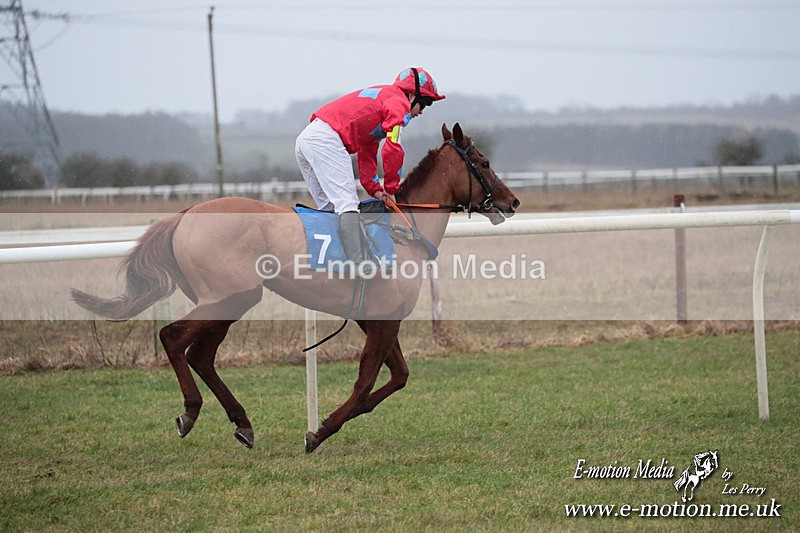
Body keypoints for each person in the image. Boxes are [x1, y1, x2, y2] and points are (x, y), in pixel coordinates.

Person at [295, 67, 445, 271]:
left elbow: (368, 150)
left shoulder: (385, 99)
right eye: (425, 103)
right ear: (411, 95)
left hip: (306, 140)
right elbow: (393, 150)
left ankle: (332, 266)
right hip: (325, 140)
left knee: (330, 209)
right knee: (347, 205)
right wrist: (392, 189)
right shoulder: (398, 104)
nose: (421, 112)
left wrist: (374, 188)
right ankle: (359, 264)